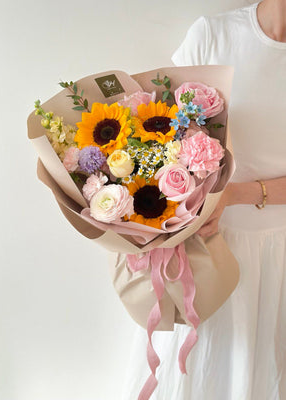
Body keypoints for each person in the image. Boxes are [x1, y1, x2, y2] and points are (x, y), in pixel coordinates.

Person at [120, 1, 286, 399]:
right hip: (205, 247)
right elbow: (161, 133)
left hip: (278, 251)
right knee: (194, 372)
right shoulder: (214, 35)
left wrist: (235, 195)